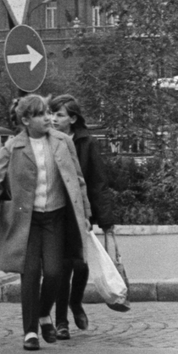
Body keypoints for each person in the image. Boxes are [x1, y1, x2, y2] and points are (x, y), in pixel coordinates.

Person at [0, 93, 94, 351]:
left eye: (50, 113)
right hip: (26, 221)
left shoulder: (63, 142)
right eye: (42, 114)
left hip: (55, 218)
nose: (49, 118)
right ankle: (30, 331)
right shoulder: (12, 147)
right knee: (30, 275)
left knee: (54, 272)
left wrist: (85, 214)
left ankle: (44, 313)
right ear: (26, 120)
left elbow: (78, 180)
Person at [49, 94, 113, 339]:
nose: (54, 119)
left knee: (81, 264)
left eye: (60, 115)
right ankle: (61, 321)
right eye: (52, 114)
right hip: (55, 212)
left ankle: (76, 302)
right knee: (63, 266)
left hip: (80, 213)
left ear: (72, 118)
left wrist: (106, 221)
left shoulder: (86, 143)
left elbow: (97, 182)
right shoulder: (48, 141)